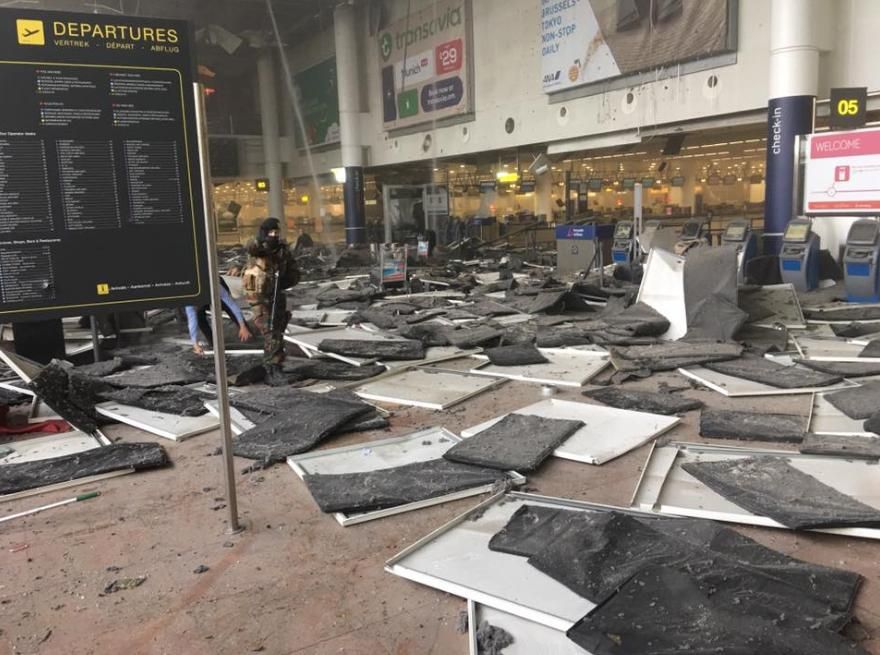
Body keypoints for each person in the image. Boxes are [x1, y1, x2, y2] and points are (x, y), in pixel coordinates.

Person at [242, 217, 299, 366]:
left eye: (276, 232)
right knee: (270, 331)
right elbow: (251, 247)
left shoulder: (282, 250)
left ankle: (275, 360)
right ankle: (271, 365)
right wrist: (265, 242)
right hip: (258, 296)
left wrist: (285, 280)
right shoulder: (258, 247)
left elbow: (293, 271)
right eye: (271, 232)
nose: (274, 235)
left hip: (276, 292)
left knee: (278, 329)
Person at [185, 277, 251, 354]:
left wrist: (243, 326)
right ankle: (213, 343)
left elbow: (232, 305)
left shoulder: (216, 287)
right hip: (199, 294)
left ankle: (247, 332)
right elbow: (192, 321)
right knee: (199, 318)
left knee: (228, 307)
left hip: (215, 290)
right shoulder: (189, 300)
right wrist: (195, 345)